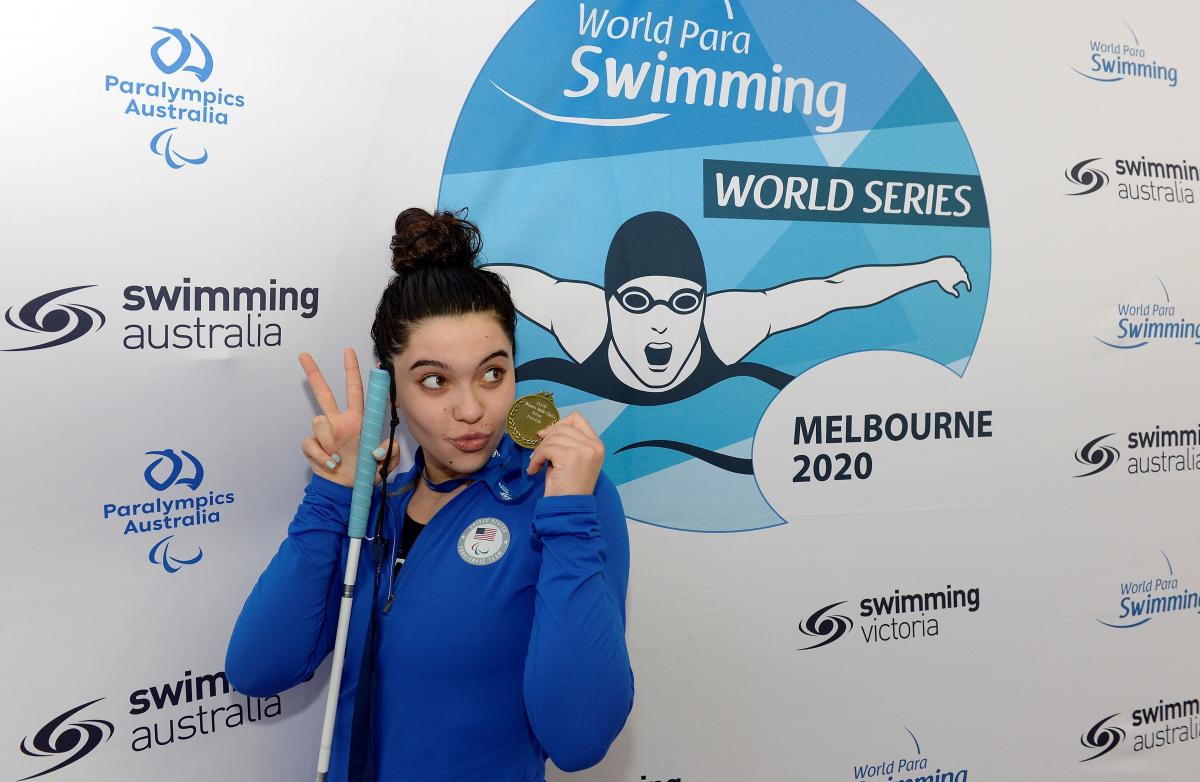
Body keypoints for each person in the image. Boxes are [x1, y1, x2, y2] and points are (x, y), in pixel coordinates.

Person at [225, 208, 634, 782]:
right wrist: (334, 498)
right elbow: (257, 668)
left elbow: (579, 738)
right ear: (390, 389)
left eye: (492, 373)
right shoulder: (377, 506)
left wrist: (569, 516)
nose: (470, 410)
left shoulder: (563, 498)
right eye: (435, 380)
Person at [488, 210, 972, 406]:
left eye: (682, 302)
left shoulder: (727, 326)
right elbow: (515, 281)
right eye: (637, 301)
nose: (661, 320)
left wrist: (929, 268)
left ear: (702, 306)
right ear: (611, 305)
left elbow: (833, 290)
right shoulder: (583, 320)